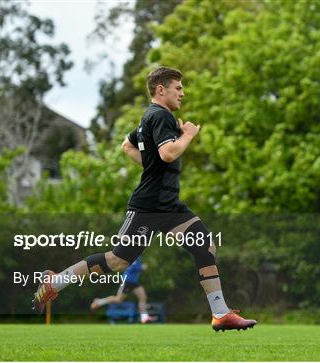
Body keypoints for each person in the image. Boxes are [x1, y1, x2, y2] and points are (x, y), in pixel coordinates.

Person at [32, 66, 257, 332]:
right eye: (178, 87)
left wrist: (151, 165)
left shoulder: (150, 117)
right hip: (148, 206)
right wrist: (187, 135)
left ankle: (221, 314)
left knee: (205, 245)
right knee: (118, 261)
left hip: (169, 206)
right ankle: (55, 282)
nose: (183, 93)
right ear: (161, 90)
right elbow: (168, 154)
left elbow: (126, 146)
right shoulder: (160, 116)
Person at [90, 256, 154, 324]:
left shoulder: (138, 257)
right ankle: (99, 302)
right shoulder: (132, 255)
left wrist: (141, 267)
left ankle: (144, 317)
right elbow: (132, 267)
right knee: (118, 299)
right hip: (127, 281)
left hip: (134, 282)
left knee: (143, 297)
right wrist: (141, 267)